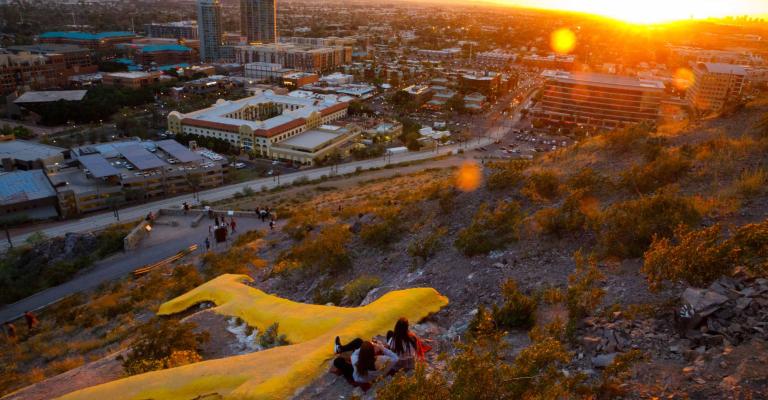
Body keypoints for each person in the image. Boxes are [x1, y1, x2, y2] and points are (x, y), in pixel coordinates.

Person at [332, 338, 398, 390]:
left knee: (337, 361)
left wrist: (366, 347)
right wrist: (381, 347)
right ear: (373, 352)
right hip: (372, 375)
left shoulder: (356, 361)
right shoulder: (382, 360)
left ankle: (339, 349)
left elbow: (355, 354)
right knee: (359, 341)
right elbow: (396, 358)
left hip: (358, 377)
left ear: (361, 353)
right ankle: (339, 349)